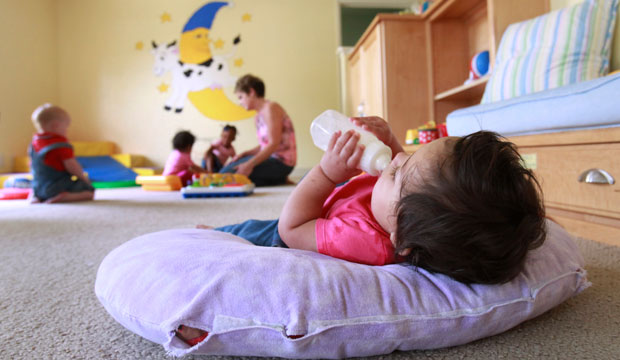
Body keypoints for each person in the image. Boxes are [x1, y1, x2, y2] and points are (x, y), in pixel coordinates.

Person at [177, 117, 547, 345]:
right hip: (336, 210)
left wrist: (326, 173)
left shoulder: (363, 240)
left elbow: (291, 227)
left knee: (245, 233)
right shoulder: (409, 213)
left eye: (396, 170)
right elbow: (414, 189)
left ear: (399, 237)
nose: (398, 158)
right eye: (411, 153)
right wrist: (393, 146)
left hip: (292, 231)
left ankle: (217, 235)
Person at [219, 74, 297, 186]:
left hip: (281, 163)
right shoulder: (258, 117)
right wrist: (245, 154)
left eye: (240, 97)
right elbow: (264, 146)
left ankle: (278, 177)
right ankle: (278, 180)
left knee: (227, 175)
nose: (240, 102)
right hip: (270, 159)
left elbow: (273, 144)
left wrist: (249, 164)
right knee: (231, 172)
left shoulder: (271, 108)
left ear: (251, 92)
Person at [29, 104, 95, 204]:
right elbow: (72, 166)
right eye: (66, 127)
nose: (66, 131)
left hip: (37, 188)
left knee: (42, 185)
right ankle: (65, 197)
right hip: (57, 187)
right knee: (89, 191)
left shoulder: (33, 144)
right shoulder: (60, 144)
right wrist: (83, 178)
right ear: (56, 125)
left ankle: (38, 198)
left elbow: (33, 166)